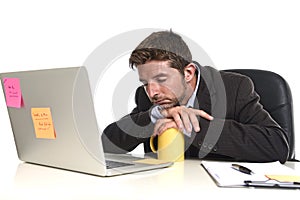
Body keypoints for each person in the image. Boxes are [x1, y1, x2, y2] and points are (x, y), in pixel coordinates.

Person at [102, 30, 289, 163]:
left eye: (161, 79)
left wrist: (192, 126)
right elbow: (107, 144)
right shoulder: (148, 98)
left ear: (189, 72)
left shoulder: (234, 88)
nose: (152, 93)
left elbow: (277, 145)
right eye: (145, 83)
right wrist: (154, 116)